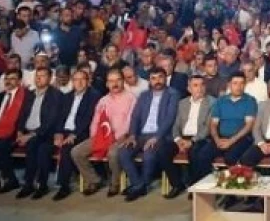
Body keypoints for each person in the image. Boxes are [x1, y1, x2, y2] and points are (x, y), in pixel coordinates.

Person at [71, 68, 137, 196]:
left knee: (113, 153)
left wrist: (116, 138)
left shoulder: (131, 98)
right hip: (102, 136)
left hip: (122, 137)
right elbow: (95, 121)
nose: (115, 84)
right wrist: (95, 138)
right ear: (107, 84)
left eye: (118, 80)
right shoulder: (103, 100)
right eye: (111, 81)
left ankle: (115, 183)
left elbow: (130, 121)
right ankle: (94, 180)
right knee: (76, 152)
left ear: (123, 81)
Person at [118, 67, 179, 201]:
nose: (157, 81)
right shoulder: (144, 95)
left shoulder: (173, 94)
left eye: (160, 77)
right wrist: (133, 135)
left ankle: (141, 185)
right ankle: (139, 185)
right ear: (149, 81)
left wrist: (156, 137)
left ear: (165, 78)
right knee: (123, 152)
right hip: (140, 135)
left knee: (149, 154)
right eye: (153, 78)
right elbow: (135, 117)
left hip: (161, 136)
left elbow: (170, 118)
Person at [192, 72, 257, 189]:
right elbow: (213, 124)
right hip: (220, 137)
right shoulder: (221, 101)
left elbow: (248, 126)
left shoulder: (250, 101)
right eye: (235, 83)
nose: (238, 86)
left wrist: (231, 141)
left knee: (230, 157)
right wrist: (217, 140)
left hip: (241, 138)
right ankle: (205, 188)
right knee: (202, 155)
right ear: (229, 85)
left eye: (242, 83)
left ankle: (231, 192)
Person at [14, 66, 65, 198]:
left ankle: (41, 185)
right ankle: (28, 184)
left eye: (42, 76)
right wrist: (19, 131)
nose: (38, 78)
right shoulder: (30, 94)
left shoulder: (55, 95)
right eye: (37, 75)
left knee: (40, 148)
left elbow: (50, 121)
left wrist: (31, 135)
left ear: (49, 78)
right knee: (1, 144)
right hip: (28, 132)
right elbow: (23, 114)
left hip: (46, 134)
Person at [160, 74, 214, 199]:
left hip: (200, 138)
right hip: (182, 137)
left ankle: (194, 185)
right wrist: (178, 140)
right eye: (195, 85)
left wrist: (192, 141)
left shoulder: (212, 102)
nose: (199, 88)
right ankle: (177, 184)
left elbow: (207, 127)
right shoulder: (182, 103)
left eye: (202, 85)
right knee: (162, 150)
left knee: (195, 152)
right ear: (189, 88)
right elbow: (176, 125)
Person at [52, 69, 99, 200]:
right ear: (72, 81)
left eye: (82, 79)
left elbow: (88, 118)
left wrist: (74, 134)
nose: (79, 82)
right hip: (65, 131)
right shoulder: (66, 96)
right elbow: (60, 117)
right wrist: (58, 132)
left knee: (67, 148)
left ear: (88, 81)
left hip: (81, 132)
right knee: (42, 144)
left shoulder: (94, 96)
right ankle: (38, 182)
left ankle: (64, 186)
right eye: (76, 79)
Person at [0, 69, 27, 194]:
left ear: (19, 81)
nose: (8, 81)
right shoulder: (0, 96)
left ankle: (5, 180)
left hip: (15, 130)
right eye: (6, 78)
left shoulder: (24, 95)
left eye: (12, 78)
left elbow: (24, 116)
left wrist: (20, 131)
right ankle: (0, 180)